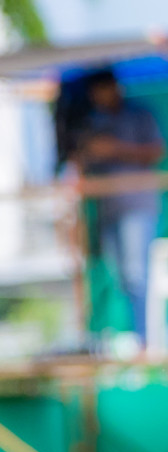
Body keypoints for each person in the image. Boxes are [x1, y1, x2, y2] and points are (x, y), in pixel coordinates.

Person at [72, 68, 165, 337]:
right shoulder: (92, 122)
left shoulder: (140, 114)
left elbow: (155, 151)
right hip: (108, 209)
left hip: (137, 206)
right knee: (119, 278)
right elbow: (82, 163)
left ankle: (144, 343)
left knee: (136, 275)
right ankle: (128, 341)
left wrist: (116, 149)